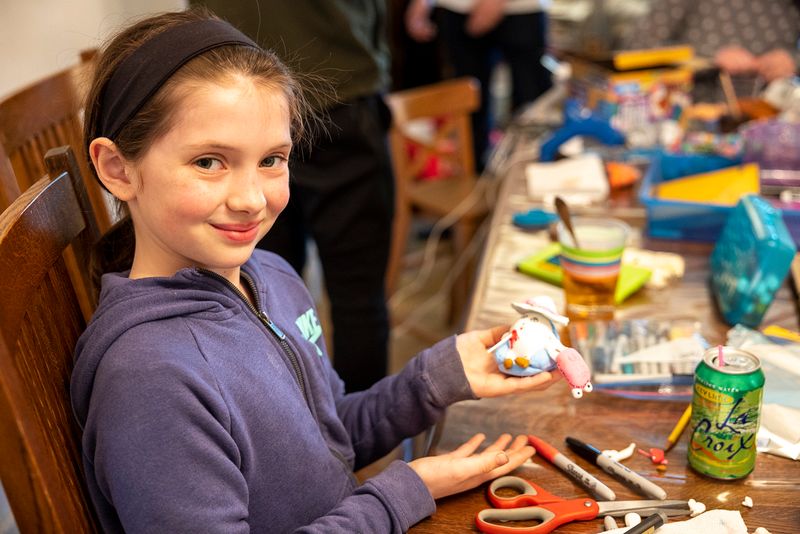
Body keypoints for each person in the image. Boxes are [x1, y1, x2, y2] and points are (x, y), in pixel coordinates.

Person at [72, 7, 562, 532]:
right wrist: (402, 492)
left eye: (272, 159)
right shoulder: (152, 380)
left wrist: (437, 377)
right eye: (209, 162)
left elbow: (325, 436)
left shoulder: (270, 275)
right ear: (118, 169)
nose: (251, 199)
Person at [193, 0, 394, 393]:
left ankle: (343, 433)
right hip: (329, 87)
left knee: (257, 293)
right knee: (260, 294)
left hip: (243, 94)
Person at [405, 0, 553, 171]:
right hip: (457, 9)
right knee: (470, 115)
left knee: (533, 110)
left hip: (521, 9)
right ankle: (475, 184)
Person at [621, 0, 799, 100]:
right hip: (692, 121)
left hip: (777, 123)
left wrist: (794, 61)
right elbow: (636, 47)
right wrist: (710, 57)